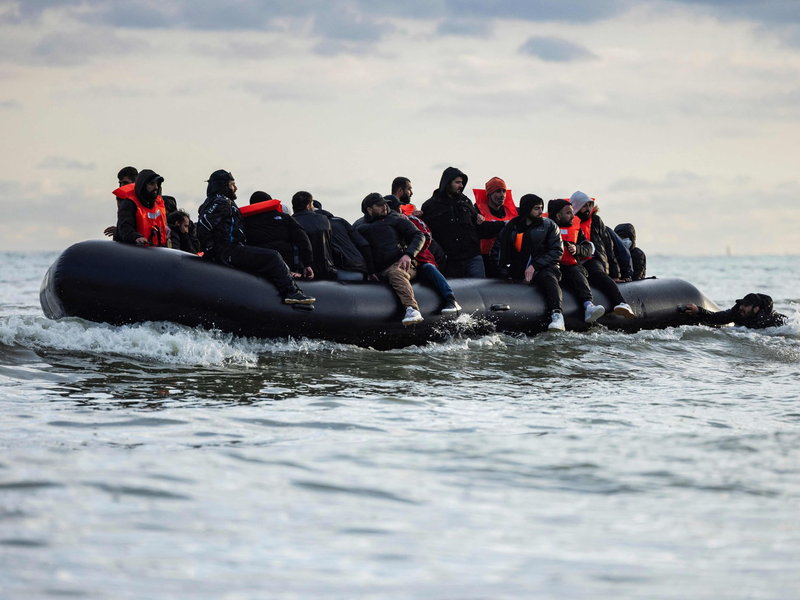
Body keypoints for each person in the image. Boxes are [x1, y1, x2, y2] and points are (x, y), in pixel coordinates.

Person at [196, 170, 314, 305]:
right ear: (223, 185)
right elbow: (204, 225)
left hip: (227, 250)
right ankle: (292, 292)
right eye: (233, 184)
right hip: (230, 250)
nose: (236, 188)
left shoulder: (211, 202)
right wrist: (211, 250)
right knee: (273, 257)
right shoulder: (222, 202)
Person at [493, 194, 565, 331]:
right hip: (517, 269)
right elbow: (496, 251)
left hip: (544, 267)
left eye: (541, 208)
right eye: (537, 208)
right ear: (527, 209)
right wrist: (504, 273)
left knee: (548, 276)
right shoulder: (511, 227)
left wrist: (535, 265)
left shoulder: (549, 225)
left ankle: (557, 314)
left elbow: (557, 251)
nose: (540, 212)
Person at [420, 166, 505, 278]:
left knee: (479, 291)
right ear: (447, 183)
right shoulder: (430, 206)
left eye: (462, 183)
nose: (461, 185)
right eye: (458, 182)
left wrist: (504, 225)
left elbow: (481, 227)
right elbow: (424, 234)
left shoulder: (465, 202)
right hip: (449, 261)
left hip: (472, 258)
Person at [356, 193, 426, 326]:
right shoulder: (359, 226)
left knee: (396, 273)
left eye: (385, 204)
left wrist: (409, 255)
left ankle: (412, 309)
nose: (384, 207)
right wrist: (369, 271)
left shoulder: (396, 218)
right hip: (376, 270)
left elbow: (418, 235)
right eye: (379, 205)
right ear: (369, 210)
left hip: (401, 263)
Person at [386, 195, 461, 315]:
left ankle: (451, 299)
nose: (399, 211)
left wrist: (411, 250)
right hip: (400, 264)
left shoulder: (412, 220)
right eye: (396, 209)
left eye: (399, 208)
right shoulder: (385, 226)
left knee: (429, 268)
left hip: (420, 261)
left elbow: (426, 237)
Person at [568, 192, 635, 318]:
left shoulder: (596, 221)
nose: (588, 209)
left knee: (599, 275)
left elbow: (609, 248)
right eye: (584, 206)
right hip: (574, 262)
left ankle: (622, 303)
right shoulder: (568, 222)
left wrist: (615, 275)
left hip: (593, 259)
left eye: (589, 205)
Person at [547, 199, 609, 323]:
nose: (573, 216)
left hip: (570, 267)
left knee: (577, 272)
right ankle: (557, 314)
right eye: (568, 213)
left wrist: (577, 249)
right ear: (558, 216)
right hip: (551, 267)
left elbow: (588, 247)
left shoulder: (576, 229)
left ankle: (588, 306)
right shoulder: (545, 228)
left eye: (572, 212)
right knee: (549, 275)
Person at [244, 191, 314, 278]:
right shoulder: (285, 218)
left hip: (257, 266)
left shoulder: (244, 222)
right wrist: (307, 264)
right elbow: (302, 240)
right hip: (285, 263)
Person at [314, 201, 373, 281]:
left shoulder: (316, 225)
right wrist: (371, 271)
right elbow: (363, 244)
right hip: (359, 269)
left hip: (342, 271)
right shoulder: (340, 221)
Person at [475, 176, 518, 277]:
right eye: (498, 191)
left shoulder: (515, 211)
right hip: (485, 258)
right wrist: (504, 225)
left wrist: (493, 226)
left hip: (506, 258)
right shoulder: (477, 211)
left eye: (504, 191)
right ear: (489, 193)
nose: (502, 195)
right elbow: (482, 230)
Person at [113, 169, 169, 247]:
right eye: (151, 184)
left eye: (157, 184)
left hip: (155, 251)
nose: (155, 187)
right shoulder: (129, 204)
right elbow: (125, 227)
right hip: (133, 251)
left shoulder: (158, 204)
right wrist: (136, 238)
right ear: (142, 185)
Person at [291, 191, 338, 281]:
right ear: (308, 206)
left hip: (304, 272)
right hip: (327, 269)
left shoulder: (292, 222)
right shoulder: (324, 220)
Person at [683, 293, 787, 329]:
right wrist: (698, 311)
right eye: (741, 304)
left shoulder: (769, 319)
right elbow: (716, 318)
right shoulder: (736, 313)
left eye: (746, 305)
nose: (741, 307)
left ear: (756, 309)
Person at [104, 166, 139, 239]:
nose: (122, 186)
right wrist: (119, 230)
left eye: (125, 183)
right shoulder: (121, 199)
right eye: (120, 183)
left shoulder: (140, 200)